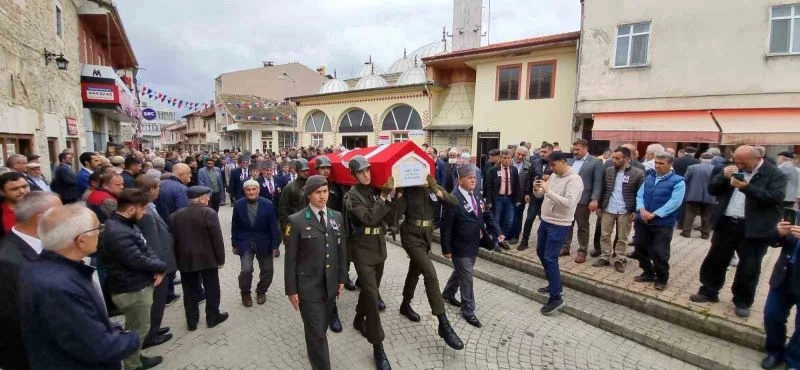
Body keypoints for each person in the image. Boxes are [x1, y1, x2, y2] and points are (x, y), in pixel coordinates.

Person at [18, 204, 140, 369]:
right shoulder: (59, 286)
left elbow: (83, 325)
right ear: (82, 240)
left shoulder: (41, 268)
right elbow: (99, 347)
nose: (100, 233)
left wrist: (112, 328)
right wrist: (132, 338)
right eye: (98, 228)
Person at [690, 145, 787, 318]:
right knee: (716, 260)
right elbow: (712, 189)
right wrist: (723, 177)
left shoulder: (773, 173)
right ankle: (709, 291)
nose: (739, 165)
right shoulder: (729, 168)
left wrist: (746, 187)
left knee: (749, 266)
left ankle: (742, 301)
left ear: (758, 159)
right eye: (737, 161)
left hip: (754, 228)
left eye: (744, 162)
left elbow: (776, 197)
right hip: (726, 223)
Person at [284, 175, 348, 370]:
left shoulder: (336, 217)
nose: (322, 196)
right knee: (317, 334)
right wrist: (291, 290)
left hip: (329, 286)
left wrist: (341, 279)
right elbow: (290, 259)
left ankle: (314, 348)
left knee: (319, 329)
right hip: (308, 288)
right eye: (317, 193)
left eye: (325, 191)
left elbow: (341, 250)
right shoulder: (296, 221)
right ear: (308, 195)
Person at [393, 174, 464, 350]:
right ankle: (443, 323)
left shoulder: (434, 187)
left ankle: (405, 304)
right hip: (410, 236)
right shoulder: (409, 189)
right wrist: (398, 195)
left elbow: (454, 203)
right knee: (430, 273)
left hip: (426, 236)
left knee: (415, 270)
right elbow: (394, 216)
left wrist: (436, 190)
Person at [100, 189, 168, 370]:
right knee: (139, 329)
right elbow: (136, 259)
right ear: (131, 209)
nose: (145, 212)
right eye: (143, 208)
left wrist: (158, 265)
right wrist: (160, 267)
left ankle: (137, 357)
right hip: (131, 289)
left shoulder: (126, 225)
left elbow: (144, 248)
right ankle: (133, 364)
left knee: (136, 326)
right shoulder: (117, 231)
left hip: (136, 284)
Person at [343, 156, 395, 370]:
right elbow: (369, 218)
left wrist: (395, 197)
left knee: (369, 291)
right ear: (354, 175)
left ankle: (357, 319)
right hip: (362, 250)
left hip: (379, 248)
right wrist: (383, 199)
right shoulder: (351, 196)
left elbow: (388, 220)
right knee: (373, 298)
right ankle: (378, 346)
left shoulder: (375, 191)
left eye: (368, 170)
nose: (366, 174)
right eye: (361, 172)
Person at [0, 192, 61, 370]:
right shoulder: (7, 262)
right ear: (42, 218)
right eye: (61, 212)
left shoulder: (47, 243)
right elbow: (14, 322)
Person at [441, 164, 502, 328]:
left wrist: (497, 231)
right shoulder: (452, 199)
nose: (474, 180)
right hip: (459, 246)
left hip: (474, 243)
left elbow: (485, 214)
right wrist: (446, 249)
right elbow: (445, 226)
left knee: (460, 272)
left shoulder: (475, 194)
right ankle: (468, 310)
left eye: (475, 177)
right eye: (469, 178)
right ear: (460, 180)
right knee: (467, 278)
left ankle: (447, 293)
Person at [532, 151, 583, 315]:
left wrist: (548, 191)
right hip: (546, 220)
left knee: (550, 257)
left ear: (563, 162)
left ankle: (556, 298)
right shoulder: (554, 175)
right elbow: (543, 195)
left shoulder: (574, 180)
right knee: (541, 252)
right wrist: (537, 190)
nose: (551, 168)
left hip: (559, 224)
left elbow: (569, 203)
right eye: (549, 165)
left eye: (553, 165)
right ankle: (555, 285)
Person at [171, 186, 228, 330]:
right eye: (207, 197)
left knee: (189, 291)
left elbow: (172, 241)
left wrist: (177, 260)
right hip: (207, 259)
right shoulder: (209, 213)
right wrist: (220, 259)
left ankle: (191, 321)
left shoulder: (175, 215)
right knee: (212, 289)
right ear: (202, 198)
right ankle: (213, 317)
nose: (209, 199)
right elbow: (217, 239)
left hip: (185, 260)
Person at [632, 152, 685, 290]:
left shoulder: (678, 181)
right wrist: (641, 209)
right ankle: (647, 272)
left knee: (659, 252)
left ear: (670, 164)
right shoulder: (650, 177)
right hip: (643, 219)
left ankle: (662, 278)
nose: (657, 166)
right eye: (656, 163)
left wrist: (655, 214)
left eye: (661, 163)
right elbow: (640, 195)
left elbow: (675, 202)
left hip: (663, 223)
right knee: (640, 247)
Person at [135, 176, 176, 350]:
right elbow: (151, 243)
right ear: (151, 189)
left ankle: (155, 328)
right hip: (159, 265)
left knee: (158, 300)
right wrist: (158, 267)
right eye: (157, 187)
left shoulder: (150, 207)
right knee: (157, 301)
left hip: (162, 261)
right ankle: (150, 335)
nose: (159, 190)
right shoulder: (145, 212)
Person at [593, 147, 644, 272]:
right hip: (608, 208)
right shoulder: (609, 170)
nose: (614, 160)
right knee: (605, 235)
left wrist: (636, 211)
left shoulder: (638, 173)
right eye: (613, 158)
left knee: (622, 237)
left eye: (617, 158)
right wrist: (599, 206)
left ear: (627, 159)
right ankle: (605, 257)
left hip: (626, 210)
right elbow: (603, 189)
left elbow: (641, 193)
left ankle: (619, 259)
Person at [232, 180, 280, 307]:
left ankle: (261, 291)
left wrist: (275, 244)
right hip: (245, 242)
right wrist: (234, 243)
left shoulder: (268, 204)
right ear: (244, 191)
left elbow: (274, 226)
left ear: (258, 190)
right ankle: (245, 292)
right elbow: (235, 225)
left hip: (264, 242)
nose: (251, 192)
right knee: (246, 270)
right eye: (248, 189)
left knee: (268, 270)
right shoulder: (238, 204)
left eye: (254, 189)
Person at [761, 221, 800, 370]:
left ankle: (794, 360)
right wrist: (778, 232)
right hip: (784, 275)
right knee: (772, 315)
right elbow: (771, 240)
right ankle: (774, 353)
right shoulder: (797, 216)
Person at [562, 139, 604, 262]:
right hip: (569, 199)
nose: (575, 152)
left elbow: (598, 182)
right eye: (573, 149)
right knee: (567, 224)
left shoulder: (596, 162)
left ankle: (582, 251)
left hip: (583, 200)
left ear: (585, 148)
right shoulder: (570, 161)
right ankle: (565, 247)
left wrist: (594, 199)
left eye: (578, 149)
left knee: (583, 227)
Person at [519, 143, 554, 250]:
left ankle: (547, 243)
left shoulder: (555, 164)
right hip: (535, 195)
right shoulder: (535, 162)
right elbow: (529, 179)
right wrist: (526, 193)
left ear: (551, 152)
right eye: (541, 151)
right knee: (529, 218)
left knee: (547, 220)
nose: (542, 154)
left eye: (545, 152)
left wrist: (550, 177)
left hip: (549, 197)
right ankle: (524, 241)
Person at [485, 149, 520, 249]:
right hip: (497, 198)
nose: (507, 160)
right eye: (504, 158)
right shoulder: (494, 170)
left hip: (509, 198)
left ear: (511, 158)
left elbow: (517, 185)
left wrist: (518, 199)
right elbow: (489, 186)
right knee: (496, 219)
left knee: (509, 220)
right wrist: (489, 201)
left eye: (509, 158)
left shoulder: (514, 170)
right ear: (500, 158)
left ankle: (501, 238)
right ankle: (496, 241)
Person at [681, 152, 717, 239]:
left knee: (690, 214)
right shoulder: (716, 169)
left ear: (700, 158)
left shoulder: (692, 168)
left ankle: (686, 232)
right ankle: (705, 234)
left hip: (693, 194)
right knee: (707, 215)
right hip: (710, 196)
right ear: (712, 160)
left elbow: (685, 179)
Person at [278, 158, 311, 234]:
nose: (305, 173)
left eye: (307, 170)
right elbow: (283, 209)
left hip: (310, 223)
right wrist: (286, 229)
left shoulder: (312, 185)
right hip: (295, 223)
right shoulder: (289, 188)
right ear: (297, 171)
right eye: (303, 171)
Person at [155, 163, 190, 229]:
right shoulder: (182, 189)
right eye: (189, 173)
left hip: (160, 225)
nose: (190, 175)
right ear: (181, 175)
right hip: (173, 227)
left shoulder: (160, 184)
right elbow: (182, 213)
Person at [508, 146, 532, 244]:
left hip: (520, 196)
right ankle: (507, 234)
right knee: (507, 215)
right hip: (507, 194)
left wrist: (527, 193)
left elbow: (529, 182)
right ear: (515, 153)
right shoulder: (508, 163)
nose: (520, 156)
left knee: (517, 216)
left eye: (523, 155)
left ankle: (515, 236)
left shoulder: (528, 166)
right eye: (519, 154)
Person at [0, 172, 31, 238]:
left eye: (25, 186)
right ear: (2, 192)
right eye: (15, 189)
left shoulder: (43, 207)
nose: (22, 191)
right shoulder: (3, 212)